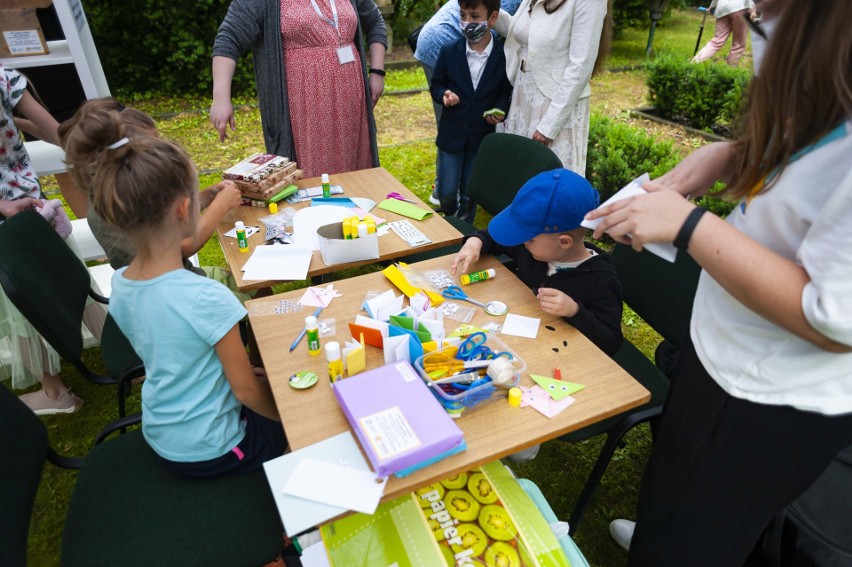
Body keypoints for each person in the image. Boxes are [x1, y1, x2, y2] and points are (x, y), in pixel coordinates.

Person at [589, 1, 852, 563]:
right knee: (684, 503)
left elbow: (834, 318)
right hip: (727, 358)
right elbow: (809, 137)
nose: (753, 15)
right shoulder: (802, 24)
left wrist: (688, 227)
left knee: (695, 536)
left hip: (763, 396)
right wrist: (732, 156)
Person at [66, 112, 287, 479]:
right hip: (213, 447)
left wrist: (248, 374)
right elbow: (246, 393)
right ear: (185, 210)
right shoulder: (206, 298)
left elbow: (180, 349)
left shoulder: (121, 283)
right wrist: (289, 418)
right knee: (301, 425)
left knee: (264, 380)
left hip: (162, 432)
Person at [59, 99, 246, 303]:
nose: (160, 150)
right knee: (257, 307)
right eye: (153, 146)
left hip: (184, 279)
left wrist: (207, 196)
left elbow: (171, 213)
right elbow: (182, 246)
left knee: (248, 279)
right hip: (172, 296)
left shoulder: (127, 190)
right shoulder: (113, 208)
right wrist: (220, 207)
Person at [0, 64, 96, 414]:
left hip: (9, 215)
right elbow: (50, 127)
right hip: (34, 202)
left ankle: (55, 392)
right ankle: (134, 357)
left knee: (15, 311)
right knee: (73, 281)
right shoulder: (3, 75)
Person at [211, 0, 387, 178]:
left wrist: (377, 72)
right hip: (305, 112)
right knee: (312, 183)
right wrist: (220, 98)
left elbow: (375, 22)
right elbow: (229, 39)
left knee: (358, 177)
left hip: (351, 106)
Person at [412, 0, 521, 205]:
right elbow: (437, 85)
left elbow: (504, 90)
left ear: (493, 19)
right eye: (462, 16)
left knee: (470, 191)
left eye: (474, 17)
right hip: (451, 135)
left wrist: (500, 111)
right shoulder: (448, 51)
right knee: (446, 191)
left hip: (480, 136)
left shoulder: (503, 56)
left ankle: (464, 228)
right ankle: (448, 212)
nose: (467, 22)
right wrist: (444, 94)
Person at [493, 0, 611, 175]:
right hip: (523, 95)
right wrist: (490, 12)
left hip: (553, 103)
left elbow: (581, 66)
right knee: (517, 177)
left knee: (548, 182)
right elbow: (530, 36)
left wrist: (549, 126)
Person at [691, 0, 752, 66]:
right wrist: (753, 8)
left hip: (722, 7)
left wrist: (712, 6)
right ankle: (729, 71)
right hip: (741, 7)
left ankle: (693, 63)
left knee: (716, 42)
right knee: (738, 45)